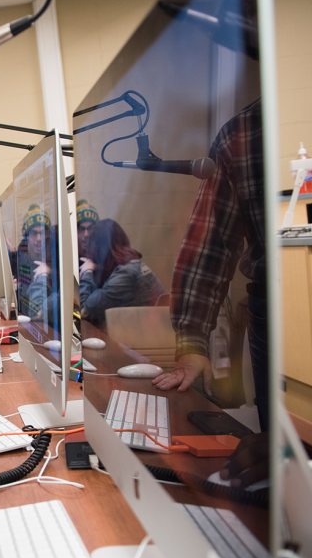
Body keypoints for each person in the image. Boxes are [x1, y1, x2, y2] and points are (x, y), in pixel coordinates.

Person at [152, 100, 268, 435]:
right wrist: (192, 344)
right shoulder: (241, 132)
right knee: (279, 444)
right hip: (269, 309)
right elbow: (209, 246)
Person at [79, 218, 165, 323]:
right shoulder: (133, 265)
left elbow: (85, 310)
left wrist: (87, 272)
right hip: (150, 331)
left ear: (100, 250)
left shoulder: (126, 274)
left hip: (144, 335)